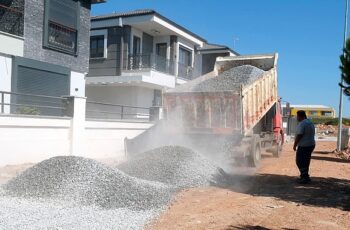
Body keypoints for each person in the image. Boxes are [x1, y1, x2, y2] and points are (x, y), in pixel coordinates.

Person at [293, 110, 316, 184]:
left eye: (297, 116)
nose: (297, 118)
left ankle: (305, 177)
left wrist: (295, 144)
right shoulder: (310, 122)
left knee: (299, 161)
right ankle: (305, 176)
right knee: (306, 161)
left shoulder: (302, 124)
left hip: (304, 145)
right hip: (311, 144)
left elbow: (300, 135)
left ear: (300, 116)